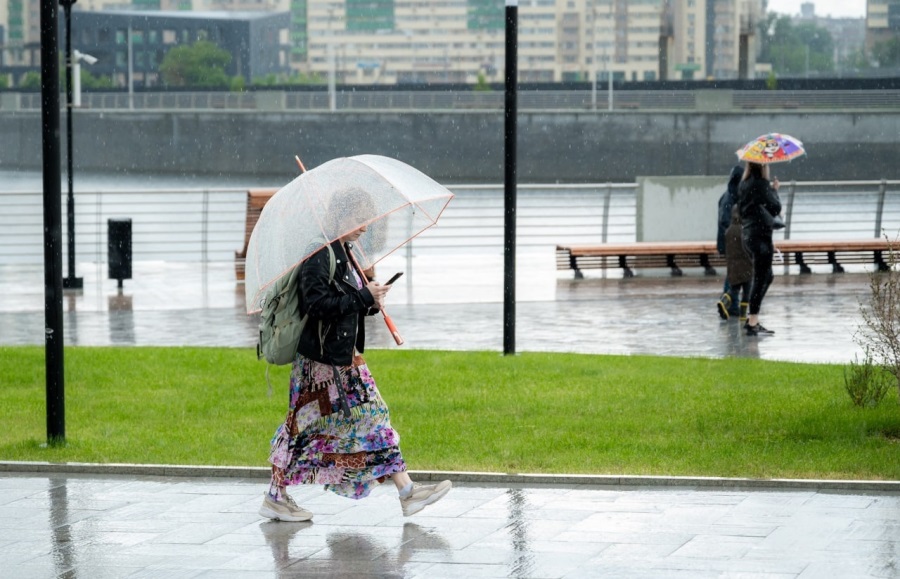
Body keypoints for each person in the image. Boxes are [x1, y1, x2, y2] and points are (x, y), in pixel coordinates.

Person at [259, 193, 452, 522]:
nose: (365, 227)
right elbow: (316, 305)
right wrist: (363, 295)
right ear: (340, 216)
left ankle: (407, 491)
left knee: (373, 417)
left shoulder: (342, 251)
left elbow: (341, 301)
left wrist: (370, 299)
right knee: (302, 429)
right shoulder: (320, 252)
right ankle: (276, 497)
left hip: (343, 359)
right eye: (359, 219)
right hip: (320, 366)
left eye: (368, 220)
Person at [738, 162, 782, 336]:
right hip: (761, 236)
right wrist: (774, 190)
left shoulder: (744, 184)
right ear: (763, 166)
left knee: (767, 276)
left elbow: (743, 209)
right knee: (761, 277)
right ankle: (753, 321)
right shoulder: (761, 184)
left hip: (748, 235)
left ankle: (752, 319)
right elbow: (776, 208)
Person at [716, 165, 745, 320]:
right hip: (731, 243)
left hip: (730, 242)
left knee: (734, 272)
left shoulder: (731, 196)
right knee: (734, 273)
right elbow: (725, 221)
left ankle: (731, 303)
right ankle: (728, 301)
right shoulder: (730, 198)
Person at [724, 204, 753, 323]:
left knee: (734, 288)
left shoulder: (729, 230)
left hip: (733, 265)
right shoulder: (744, 229)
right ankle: (743, 315)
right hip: (746, 265)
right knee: (747, 290)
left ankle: (724, 300)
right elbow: (748, 247)